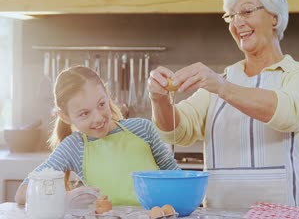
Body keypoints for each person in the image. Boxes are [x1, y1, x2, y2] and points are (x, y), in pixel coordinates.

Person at [148, 0, 299, 209]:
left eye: (247, 11)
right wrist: (158, 99)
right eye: (231, 15)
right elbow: (176, 130)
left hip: (288, 214)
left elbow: (289, 112)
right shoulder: (220, 82)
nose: (237, 23)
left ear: (274, 16)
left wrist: (221, 86)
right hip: (221, 214)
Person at [15, 66, 179, 206]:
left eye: (101, 104)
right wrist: (64, 198)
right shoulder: (74, 147)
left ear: (107, 95)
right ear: (65, 116)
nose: (98, 118)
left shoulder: (142, 129)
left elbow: (177, 178)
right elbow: (22, 193)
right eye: (84, 113)